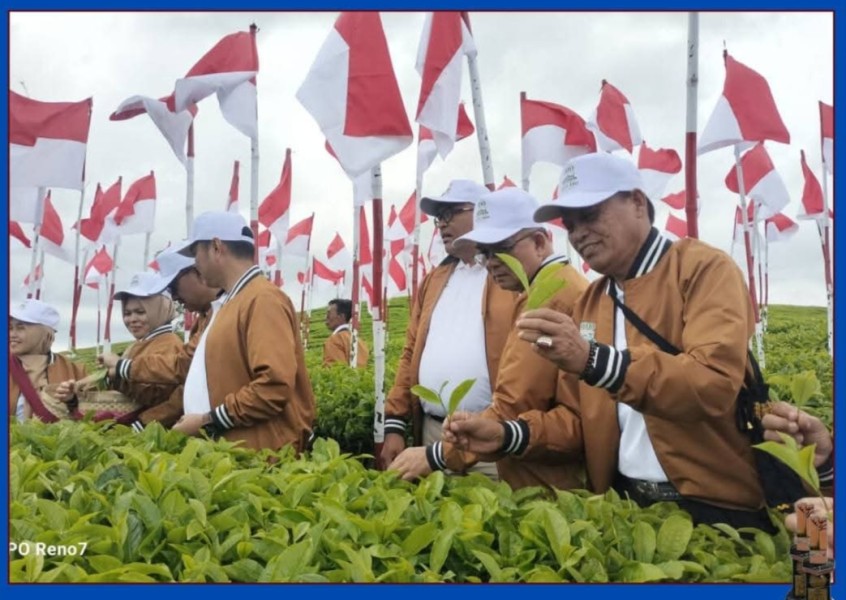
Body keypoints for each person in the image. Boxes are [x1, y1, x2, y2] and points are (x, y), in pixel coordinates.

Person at [447, 152, 773, 530]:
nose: (579, 232)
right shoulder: (590, 303)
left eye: (590, 214)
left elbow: (713, 383)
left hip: (712, 506)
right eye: (570, 223)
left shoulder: (703, 269)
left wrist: (595, 361)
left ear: (637, 202)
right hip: (624, 505)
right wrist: (508, 435)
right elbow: (577, 417)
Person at [390, 187, 588, 490]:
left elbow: (516, 399)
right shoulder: (541, 289)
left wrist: (436, 455)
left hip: (534, 465)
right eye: (487, 253)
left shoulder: (549, 295)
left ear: (538, 242)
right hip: (506, 447)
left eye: (502, 248)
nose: (493, 263)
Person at [101, 212, 315, 452]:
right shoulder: (228, 305)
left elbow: (273, 385)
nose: (196, 264)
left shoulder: (262, 300)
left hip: (263, 453)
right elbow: (188, 365)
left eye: (195, 255)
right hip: (238, 451)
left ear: (215, 247)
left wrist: (207, 420)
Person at [382, 179, 519, 479]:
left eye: (451, 213)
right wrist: (394, 422)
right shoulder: (435, 280)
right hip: (433, 432)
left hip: (489, 441)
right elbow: (410, 353)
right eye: (438, 218)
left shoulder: (508, 276)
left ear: (483, 212)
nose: (442, 225)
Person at [107, 272, 184, 426]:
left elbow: (161, 396)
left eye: (140, 312)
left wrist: (119, 372)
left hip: (152, 432)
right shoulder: (137, 345)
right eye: (127, 313)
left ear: (161, 309)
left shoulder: (170, 343)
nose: (132, 319)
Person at [9, 299, 85, 422]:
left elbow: (91, 418)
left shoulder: (76, 371)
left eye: (20, 328)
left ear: (44, 333)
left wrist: (72, 401)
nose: (12, 334)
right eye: (10, 327)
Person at [322, 298, 368, 368]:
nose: (325, 318)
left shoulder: (335, 340)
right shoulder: (360, 341)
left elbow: (334, 370)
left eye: (329, 314)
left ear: (341, 316)